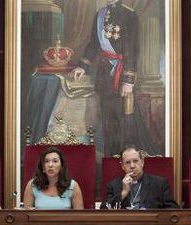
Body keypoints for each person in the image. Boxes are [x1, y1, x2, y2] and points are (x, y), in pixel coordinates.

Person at [69, 0, 155, 156]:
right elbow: (94, 44)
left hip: (121, 76)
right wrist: (83, 66)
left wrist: (128, 81)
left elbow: (132, 51)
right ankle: (110, 158)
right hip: (104, 76)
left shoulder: (130, 15)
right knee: (107, 121)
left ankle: (125, 159)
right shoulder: (99, 15)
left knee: (123, 120)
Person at [104, 146, 178, 209]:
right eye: (127, 162)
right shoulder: (113, 186)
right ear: (123, 166)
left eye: (135, 161)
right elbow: (104, 211)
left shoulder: (159, 184)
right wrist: (124, 193)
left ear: (142, 162)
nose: (132, 166)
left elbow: (172, 211)